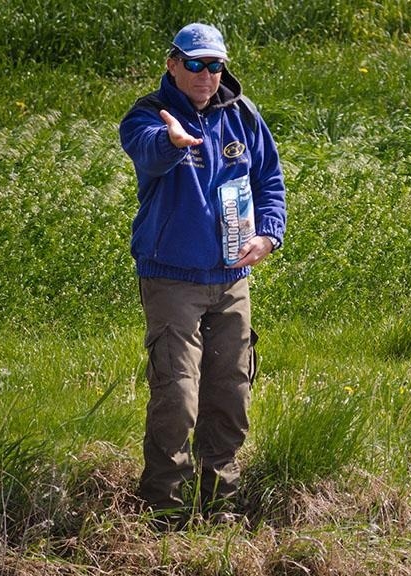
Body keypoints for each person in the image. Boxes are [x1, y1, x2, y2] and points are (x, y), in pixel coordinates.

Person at [120, 22, 286, 524]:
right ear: (172, 63)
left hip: (232, 277)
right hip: (172, 277)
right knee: (177, 396)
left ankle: (221, 507)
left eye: (215, 65)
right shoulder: (148, 116)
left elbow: (270, 180)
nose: (206, 75)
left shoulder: (243, 115)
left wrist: (269, 235)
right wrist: (173, 142)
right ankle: (164, 513)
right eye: (195, 63)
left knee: (231, 393)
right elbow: (147, 151)